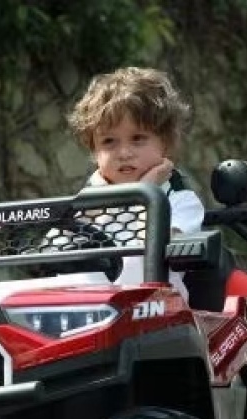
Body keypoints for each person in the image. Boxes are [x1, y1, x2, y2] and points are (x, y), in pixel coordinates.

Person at [66, 66, 205, 297]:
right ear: (94, 150)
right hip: (88, 307)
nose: (124, 153)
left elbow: (160, 250)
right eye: (109, 142)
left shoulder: (181, 202)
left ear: (166, 143)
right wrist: (93, 199)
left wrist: (146, 193)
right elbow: (50, 255)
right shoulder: (87, 205)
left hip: (157, 308)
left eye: (138, 138)